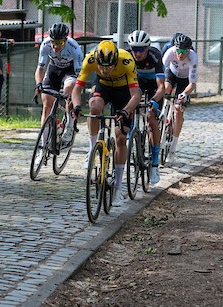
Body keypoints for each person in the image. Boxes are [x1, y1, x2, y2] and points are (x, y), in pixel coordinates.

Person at [71, 40, 140, 206]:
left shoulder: (126, 60)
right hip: (103, 87)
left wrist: (126, 110)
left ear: (115, 60)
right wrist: (76, 106)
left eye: (109, 67)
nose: (105, 70)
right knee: (94, 109)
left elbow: (136, 95)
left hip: (124, 92)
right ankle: (92, 148)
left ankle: (117, 189)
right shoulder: (90, 59)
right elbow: (76, 89)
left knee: (121, 138)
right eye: (102, 67)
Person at [34, 23, 83, 146]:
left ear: (65, 40)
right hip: (54, 69)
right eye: (53, 43)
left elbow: (78, 77)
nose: (55, 47)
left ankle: (70, 126)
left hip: (70, 70)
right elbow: (40, 69)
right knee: (46, 105)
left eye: (59, 43)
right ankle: (43, 144)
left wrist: (71, 94)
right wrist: (38, 84)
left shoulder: (75, 48)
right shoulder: (45, 45)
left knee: (68, 91)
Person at [127, 30, 165, 184]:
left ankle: (155, 164)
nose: (137, 53)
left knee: (150, 117)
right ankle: (131, 136)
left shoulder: (155, 56)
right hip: (139, 83)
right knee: (129, 104)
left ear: (147, 48)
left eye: (141, 49)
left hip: (155, 87)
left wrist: (154, 101)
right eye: (134, 49)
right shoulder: (128, 57)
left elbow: (162, 87)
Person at [161, 33, 198, 163]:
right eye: (178, 50)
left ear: (189, 50)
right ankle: (163, 115)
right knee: (165, 90)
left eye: (184, 51)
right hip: (171, 73)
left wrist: (184, 94)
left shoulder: (193, 57)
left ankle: (173, 148)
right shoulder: (169, 53)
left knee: (178, 108)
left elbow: (192, 84)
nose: (180, 54)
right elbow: (161, 73)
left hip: (185, 80)